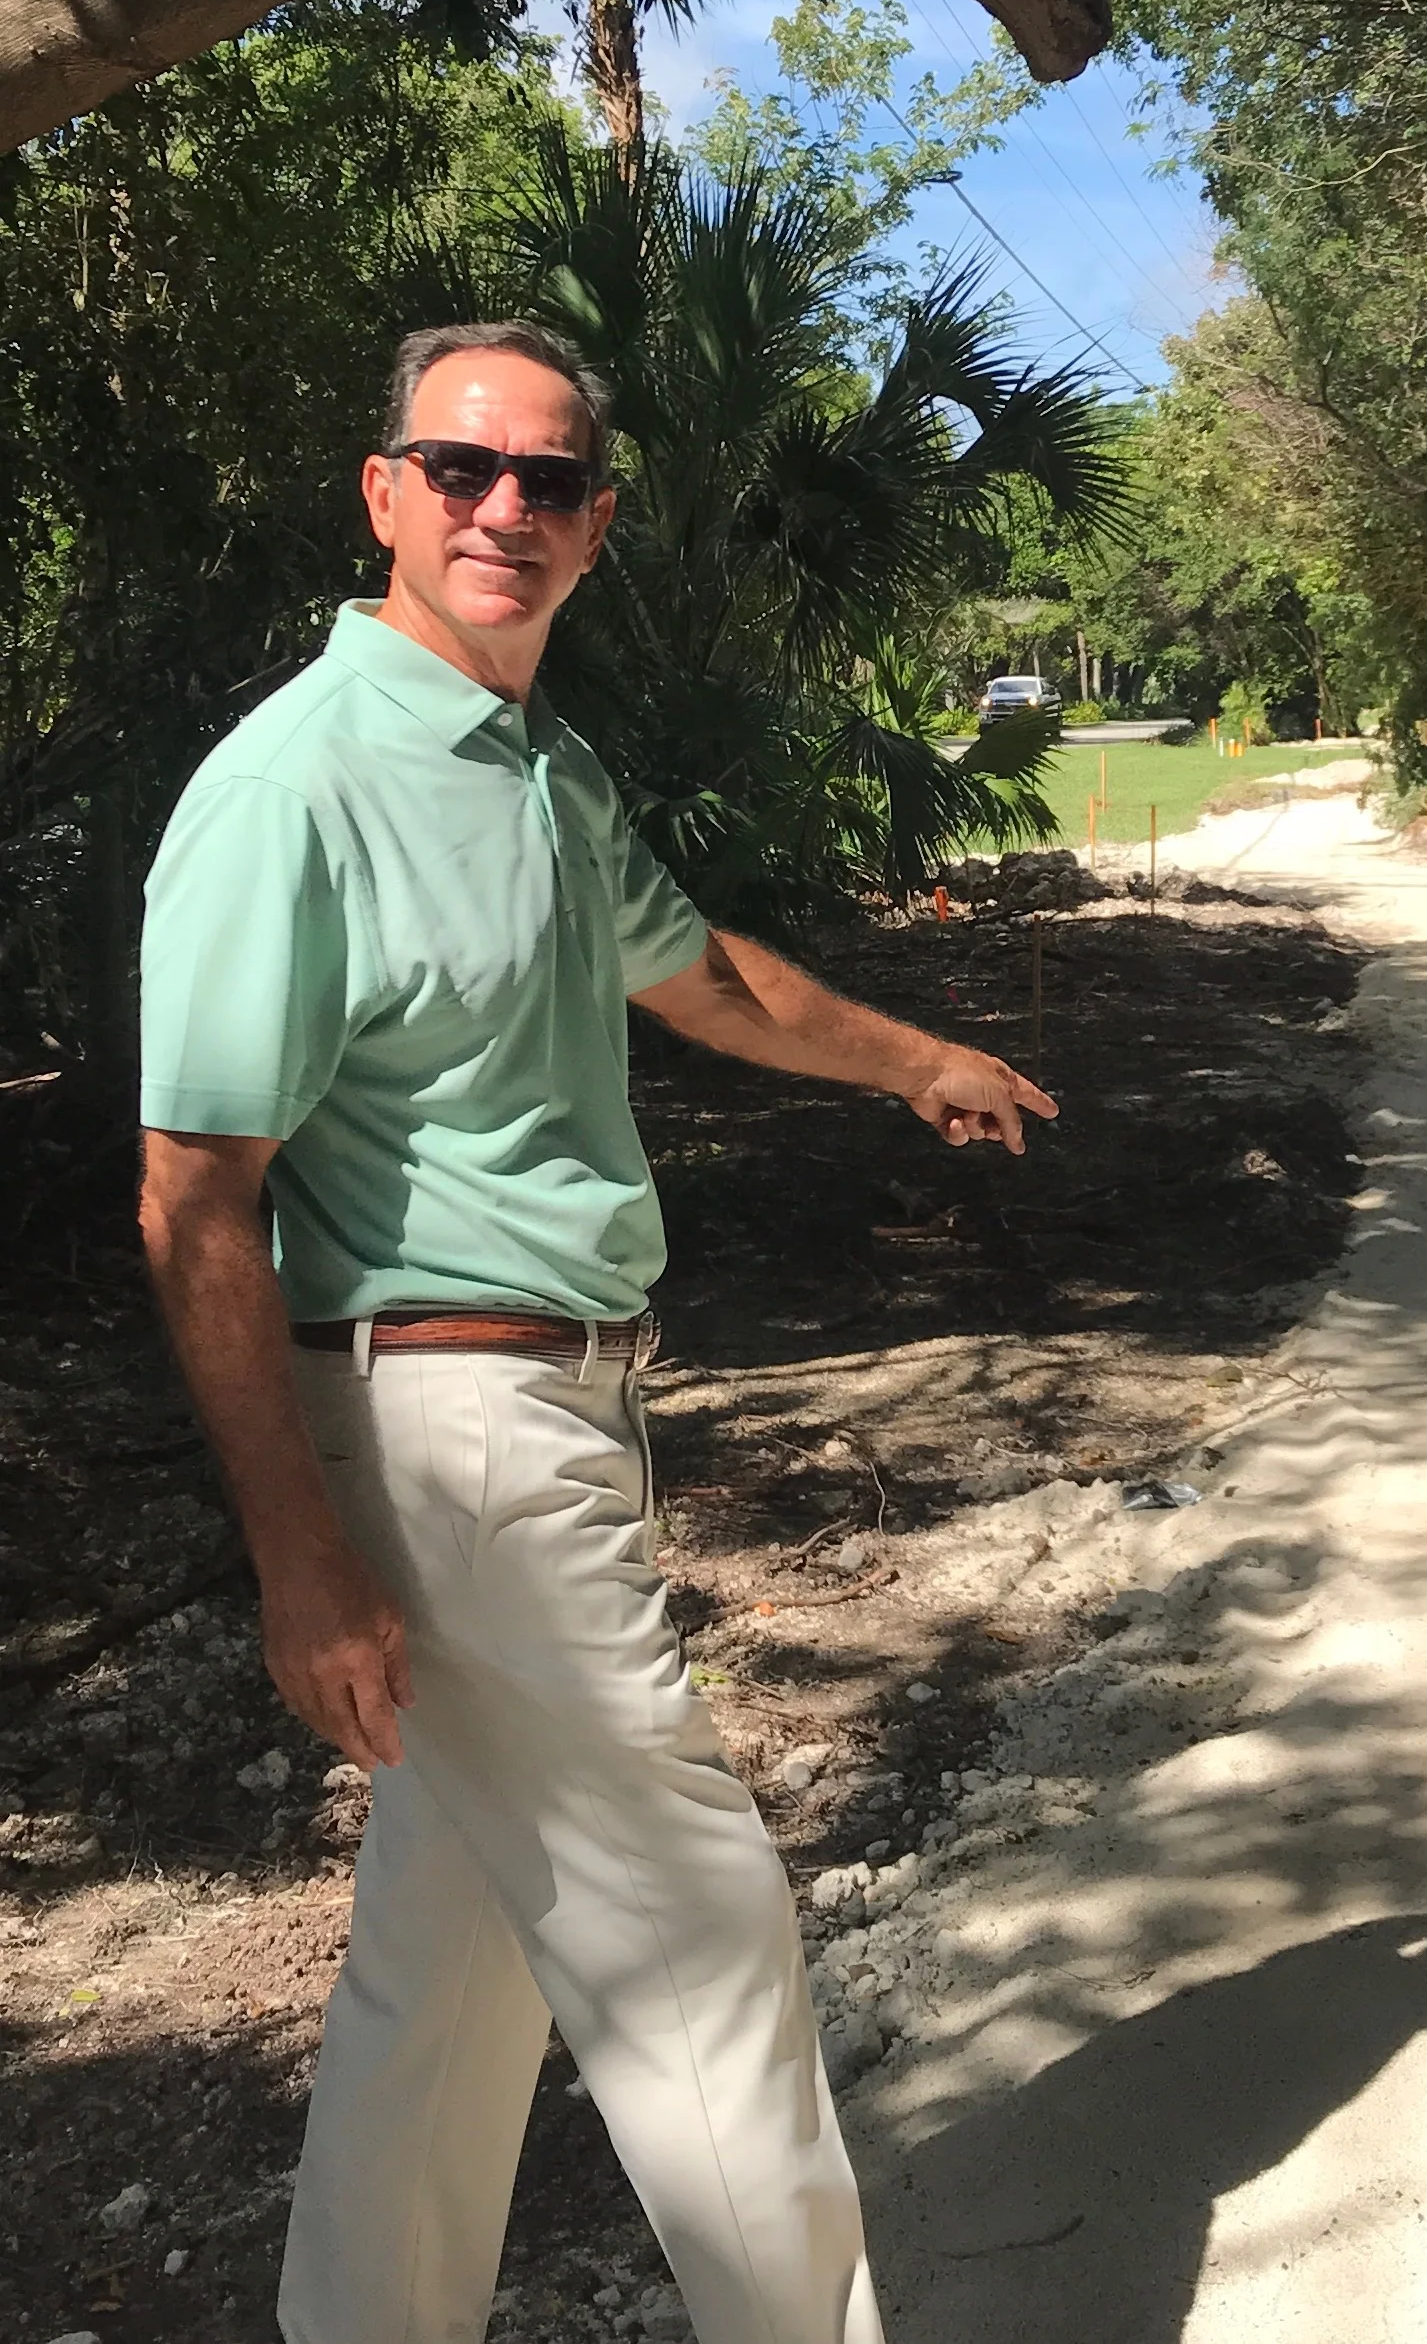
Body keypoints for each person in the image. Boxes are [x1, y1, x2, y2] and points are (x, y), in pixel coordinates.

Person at [137, 321, 1055, 2344]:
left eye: (547, 482)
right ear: (385, 491)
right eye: (460, 469)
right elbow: (192, 1195)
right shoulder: (297, 784)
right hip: (443, 1424)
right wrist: (301, 1559)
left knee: (443, 1976)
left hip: (547, 1398)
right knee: (696, 1939)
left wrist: (921, 1058)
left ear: (596, 526)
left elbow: (700, 969)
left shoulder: (534, 761)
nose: (503, 510)